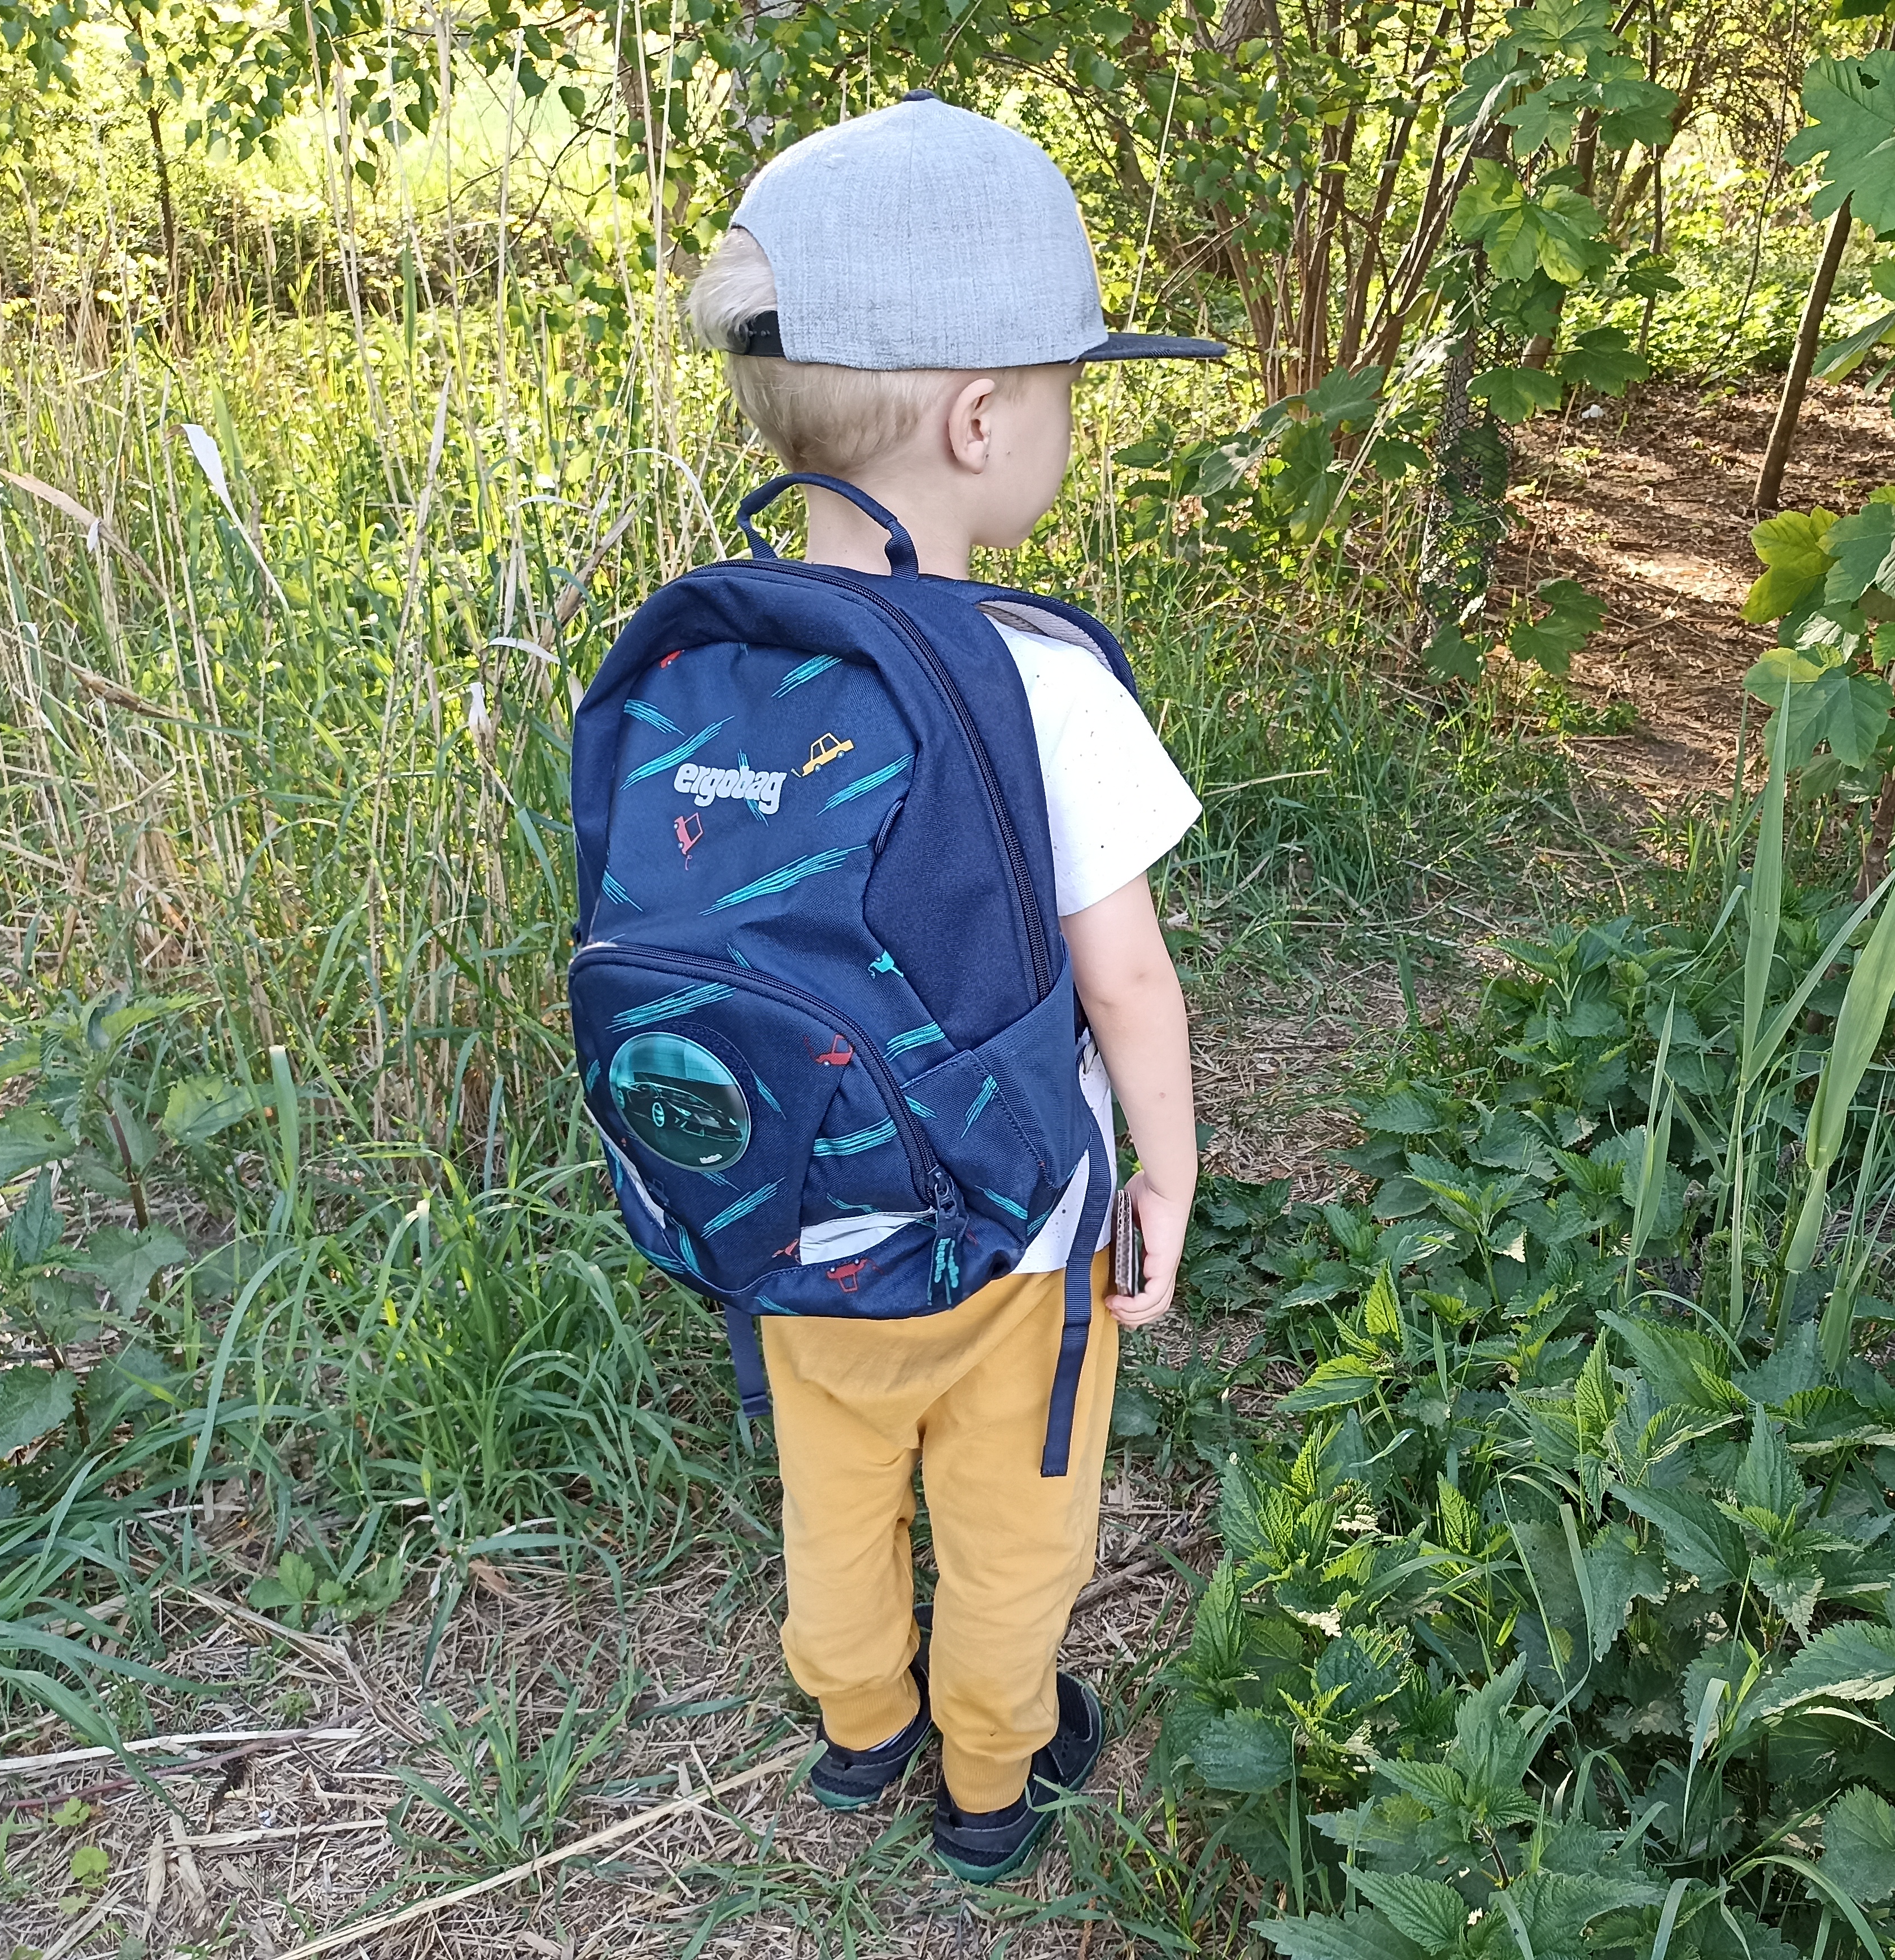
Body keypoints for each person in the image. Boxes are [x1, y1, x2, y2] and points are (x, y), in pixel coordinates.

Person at [679, 92, 1219, 1883]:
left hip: (793, 1215)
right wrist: (1169, 1170)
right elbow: (1125, 979)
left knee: (832, 1503)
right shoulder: (1046, 682)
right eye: (1066, 389)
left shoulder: (721, 657)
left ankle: (857, 1731)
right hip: (1007, 1235)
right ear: (985, 420)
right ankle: (994, 1776)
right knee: (1011, 1525)